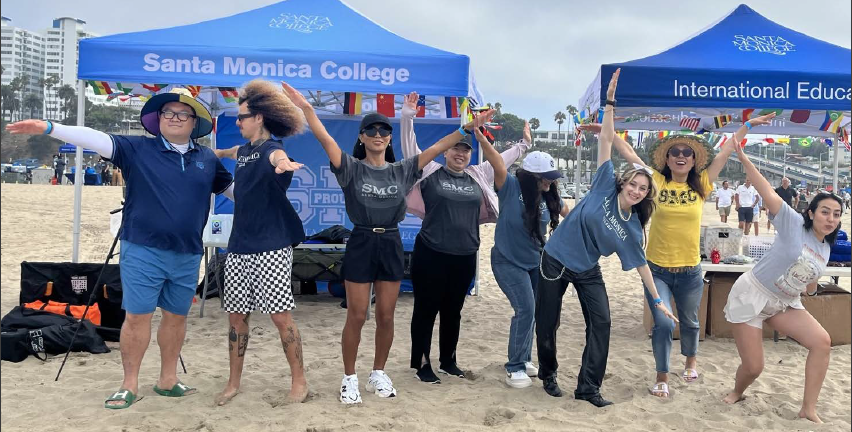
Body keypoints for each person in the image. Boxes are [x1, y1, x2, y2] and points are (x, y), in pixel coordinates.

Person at [7, 88, 234, 409]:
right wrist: (50, 127)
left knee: (176, 318)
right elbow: (93, 137)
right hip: (142, 249)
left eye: (182, 113)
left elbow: (236, 191)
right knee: (138, 317)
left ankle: (168, 380)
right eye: (167, 112)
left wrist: (269, 188)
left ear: (194, 121)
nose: (174, 118)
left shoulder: (207, 158)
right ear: (158, 119)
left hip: (187, 252)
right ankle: (129, 384)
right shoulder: (136, 148)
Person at [282, 82, 494, 405]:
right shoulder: (350, 168)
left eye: (384, 129)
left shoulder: (403, 170)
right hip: (362, 241)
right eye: (371, 129)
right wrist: (306, 108)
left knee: (385, 315)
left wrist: (466, 128)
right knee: (356, 315)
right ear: (362, 137)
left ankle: (378, 373)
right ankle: (349, 377)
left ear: (390, 137)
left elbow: (437, 148)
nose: (378, 134)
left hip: (392, 243)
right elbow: (324, 138)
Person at [582, 99, 777, 399]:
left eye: (687, 153)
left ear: (694, 160)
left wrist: (748, 125)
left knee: (689, 320)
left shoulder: (702, 184)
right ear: (668, 158)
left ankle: (690, 361)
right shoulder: (656, 181)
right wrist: (607, 134)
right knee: (662, 322)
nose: (682, 156)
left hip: (689, 270)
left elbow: (725, 150)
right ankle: (661, 375)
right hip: (656, 269)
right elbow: (630, 154)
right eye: (676, 152)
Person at [537, 69, 677, 407]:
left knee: (601, 323)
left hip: (586, 269)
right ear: (624, 182)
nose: (636, 190)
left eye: (643, 189)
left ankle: (588, 388)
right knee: (547, 322)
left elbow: (642, 266)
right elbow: (606, 138)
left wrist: (658, 301)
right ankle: (548, 372)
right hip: (555, 259)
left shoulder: (631, 228)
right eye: (634, 184)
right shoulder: (604, 182)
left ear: (645, 196)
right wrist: (610, 102)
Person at [722, 140, 843, 424]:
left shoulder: (825, 248)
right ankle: (738, 391)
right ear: (811, 212)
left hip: (785, 302)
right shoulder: (790, 221)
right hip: (753, 293)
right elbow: (764, 186)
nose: (831, 218)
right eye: (825, 211)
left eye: (836, 214)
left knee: (822, 342)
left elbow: (810, 286)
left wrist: (811, 285)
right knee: (754, 368)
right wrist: (742, 156)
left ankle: (808, 408)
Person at [399, 93, 515, 383]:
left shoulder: (479, 174)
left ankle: (448, 361)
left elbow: (504, 160)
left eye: (465, 150)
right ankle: (422, 365)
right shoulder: (430, 170)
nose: (460, 154)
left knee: (453, 312)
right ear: (446, 152)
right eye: (455, 150)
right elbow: (409, 149)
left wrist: (523, 145)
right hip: (431, 253)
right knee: (426, 310)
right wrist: (407, 116)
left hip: (464, 256)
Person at [209, 80, 310, 406]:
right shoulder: (246, 150)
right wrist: (219, 152)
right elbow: (235, 152)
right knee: (236, 318)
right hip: (239, 245)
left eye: (242, 117)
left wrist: (284, 165)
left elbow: (276, 158)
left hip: (272, 245)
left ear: (260, 118)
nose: (237, 122)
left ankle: (300, 381)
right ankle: (233, 382)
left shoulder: (271, 150)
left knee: (280, 317)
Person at [492, 150, 570, 389]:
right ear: (529, 176)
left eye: (551, 177)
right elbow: (496, 163)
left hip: (535, 262)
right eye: (544, 177)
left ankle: (524, 359)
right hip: (507, 260)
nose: (549, 181)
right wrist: (481, 137)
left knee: (535, 310)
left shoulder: (549, 196)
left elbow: (574, 215)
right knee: (524, 309)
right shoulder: (511, 187)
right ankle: (514, 367)